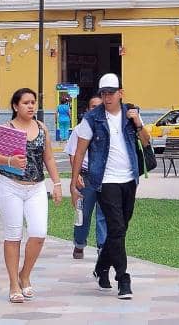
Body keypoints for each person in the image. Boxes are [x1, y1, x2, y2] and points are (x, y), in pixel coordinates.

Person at [70, 73, 150, 300]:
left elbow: (146, 141)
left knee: (120, 228)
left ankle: (101, 267)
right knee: (116, 229)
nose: (107, 97)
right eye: (103, 93)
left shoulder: (130, 114)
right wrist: (74, 181)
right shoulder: (92, 118)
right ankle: (123, 279)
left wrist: (137, 122)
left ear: (120, 94)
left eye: (111, 93)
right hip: (105, 181)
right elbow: (80, 151)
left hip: (129, 179)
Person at [0, 87, 62, 303]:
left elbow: (49, 158)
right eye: (26, 102)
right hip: (10, 186)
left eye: (33, 102)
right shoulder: (6, 129)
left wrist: (56, 184)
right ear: (15, 106)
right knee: (13, 234)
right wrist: (9, 161)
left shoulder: (42, 128)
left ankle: (25, 274)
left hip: (36, 187)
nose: (30, 106)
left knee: (39, 232)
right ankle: (13, 283)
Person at [66, 94, 107, 260]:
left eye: (100, 106)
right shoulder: (80, 129)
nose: (96, 110)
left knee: (103, 215)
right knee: (83, 212)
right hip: (86, 176)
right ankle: (79, 242)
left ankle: (102, 247)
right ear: (87, 110)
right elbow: (73, 153)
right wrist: (75, 177)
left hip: (104, 177)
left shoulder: (108, 127)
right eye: (93, 107)